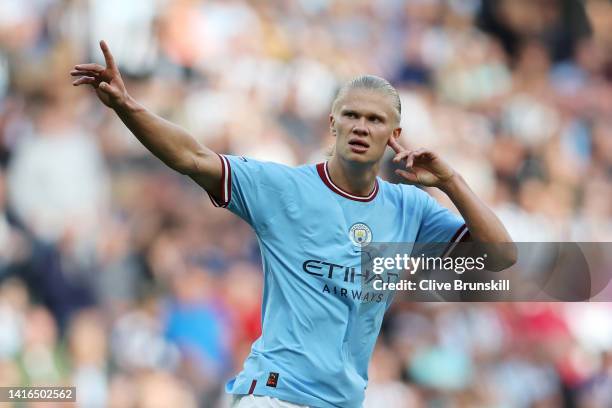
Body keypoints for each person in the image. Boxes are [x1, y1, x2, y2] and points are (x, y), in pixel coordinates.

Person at [71, 40, 516, 408]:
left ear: (393, 135)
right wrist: (127, 107)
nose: (361, 126)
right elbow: (192, 156)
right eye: (352, 115)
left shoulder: (409, 209)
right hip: (274, 395)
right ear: (333, 124)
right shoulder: (283, 189)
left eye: (375, 119)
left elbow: (501, 259)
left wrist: (451, 182)